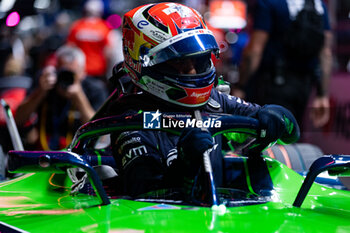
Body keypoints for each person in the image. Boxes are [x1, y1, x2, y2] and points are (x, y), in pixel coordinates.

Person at [105, 2, 300, 197]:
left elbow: (290, 134)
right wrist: (185, 164)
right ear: (143, 63)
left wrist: (278, 117)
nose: (193, 71)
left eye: (198, 60)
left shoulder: (213, 100)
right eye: (180, 62)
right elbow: (143, 193)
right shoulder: (130, 120)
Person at [233, 0, 332, 129]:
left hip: (271, 84)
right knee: (292, 133)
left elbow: (254, 52)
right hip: (304, 87)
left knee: (264, 134)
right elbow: (325, 54)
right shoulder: (319, 7)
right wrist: (322, 94)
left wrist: (241, 87)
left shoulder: (270, 3)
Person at [15, 45, 108, 150]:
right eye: (63, 72)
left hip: (79, 154)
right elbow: (19, 119)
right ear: (56, 70)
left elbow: (100, 134)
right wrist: (40, 92)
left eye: (71, 74)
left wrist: (79, 97)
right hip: (44, 153)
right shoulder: (44, 83)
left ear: (83, 72)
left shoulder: (95, 89)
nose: (66, 78)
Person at [67, 0, 115, 81]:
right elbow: (108, 52)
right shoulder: (104, 27)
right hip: (98, 70)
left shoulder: (77, 26)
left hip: (79, 70)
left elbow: (70, 48)